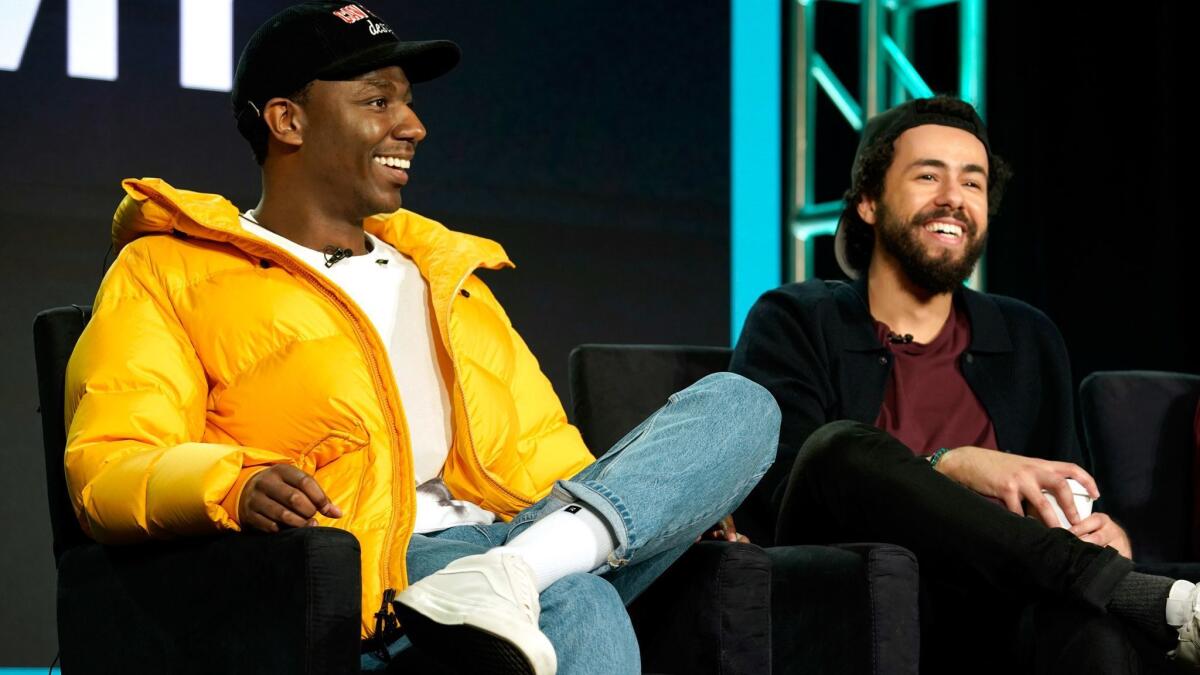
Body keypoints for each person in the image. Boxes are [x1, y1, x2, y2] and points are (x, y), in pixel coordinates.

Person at [62, 3, 779, 673]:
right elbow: (111, 464)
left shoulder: (444, 273)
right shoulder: (170, 268)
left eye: (408, 102)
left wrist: (660, 503)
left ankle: (513, 574)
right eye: (378, 101)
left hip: (517, 534)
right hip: (385, 566)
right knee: (575, 598)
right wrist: (232, 483)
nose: (413, 125)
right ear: (288, 120)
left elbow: (542, 454)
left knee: (743, 404)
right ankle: (518, 576)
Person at [730, 95, 1199, 673]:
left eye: (973, 183)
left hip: (1002, 609)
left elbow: (1067, 490)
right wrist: (951, 464)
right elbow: (782, 490)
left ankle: (1123, 588)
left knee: (1092, 637)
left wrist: (1104, 532)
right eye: (929, 175)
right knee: (838, 447)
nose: (954, 197)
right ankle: (1144, 597)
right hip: (847, 595)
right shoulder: (796, 318)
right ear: (870, 202)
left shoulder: (1027, 335)